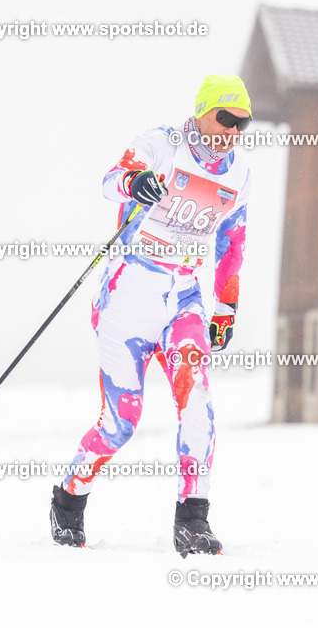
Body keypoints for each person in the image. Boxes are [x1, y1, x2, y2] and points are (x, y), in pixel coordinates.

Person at [49, 75, 252, 555]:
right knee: (122, 421)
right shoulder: (162, 144)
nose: (233, 130)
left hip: (184, 297)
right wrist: (134, 182)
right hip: (128, 296)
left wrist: (226, 305)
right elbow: (109, 181)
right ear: (203, 112)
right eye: (225, 118)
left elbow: (233, 238)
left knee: (198, 404)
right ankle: (68, 499)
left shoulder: (240, 170)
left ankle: (193, 518)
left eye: (243, 123)